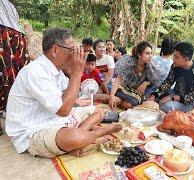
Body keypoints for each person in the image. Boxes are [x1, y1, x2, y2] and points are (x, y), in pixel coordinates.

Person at [5, 27, 122, 158]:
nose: (75, 54)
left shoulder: (58, 71)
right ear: (55, 50)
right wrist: (77, 73)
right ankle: (99, 132)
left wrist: (72, 72)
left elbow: (71, 98)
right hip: (32, 131)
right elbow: (64, 110)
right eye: (72, 50)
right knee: (72, 137)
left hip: (55, 119)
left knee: (99, 111)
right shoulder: (35, 72)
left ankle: (80, 138)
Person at [0, 0, 31, 136]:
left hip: (6, 32)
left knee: (9, 77)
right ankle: (21, 122)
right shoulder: (9, 4)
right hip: (17, 34)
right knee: (17, 76)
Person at [148, 42, 194, 113]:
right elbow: (167, 83)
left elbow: (193, 98)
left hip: (187, 101)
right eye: (173, 56)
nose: (173, 59)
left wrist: (172, 97)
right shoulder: (175, 65)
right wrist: (155, 95)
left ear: (186, 59)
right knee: (149, 93)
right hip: (175, 92)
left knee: (166, 107)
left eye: (176, 57)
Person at [109, 41, 161, 110]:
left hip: (137, 92)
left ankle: (115, 100)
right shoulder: (130, 62)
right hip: (125, 88)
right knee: (116, 99)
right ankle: (111, 98)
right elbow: (119, 78)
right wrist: (112, 95)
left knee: (128, 105)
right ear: (139, 55)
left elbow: (155, 81)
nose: (150, 56)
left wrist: (146, 83)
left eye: (151, 53)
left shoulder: (151, 65)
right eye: (147, 53)